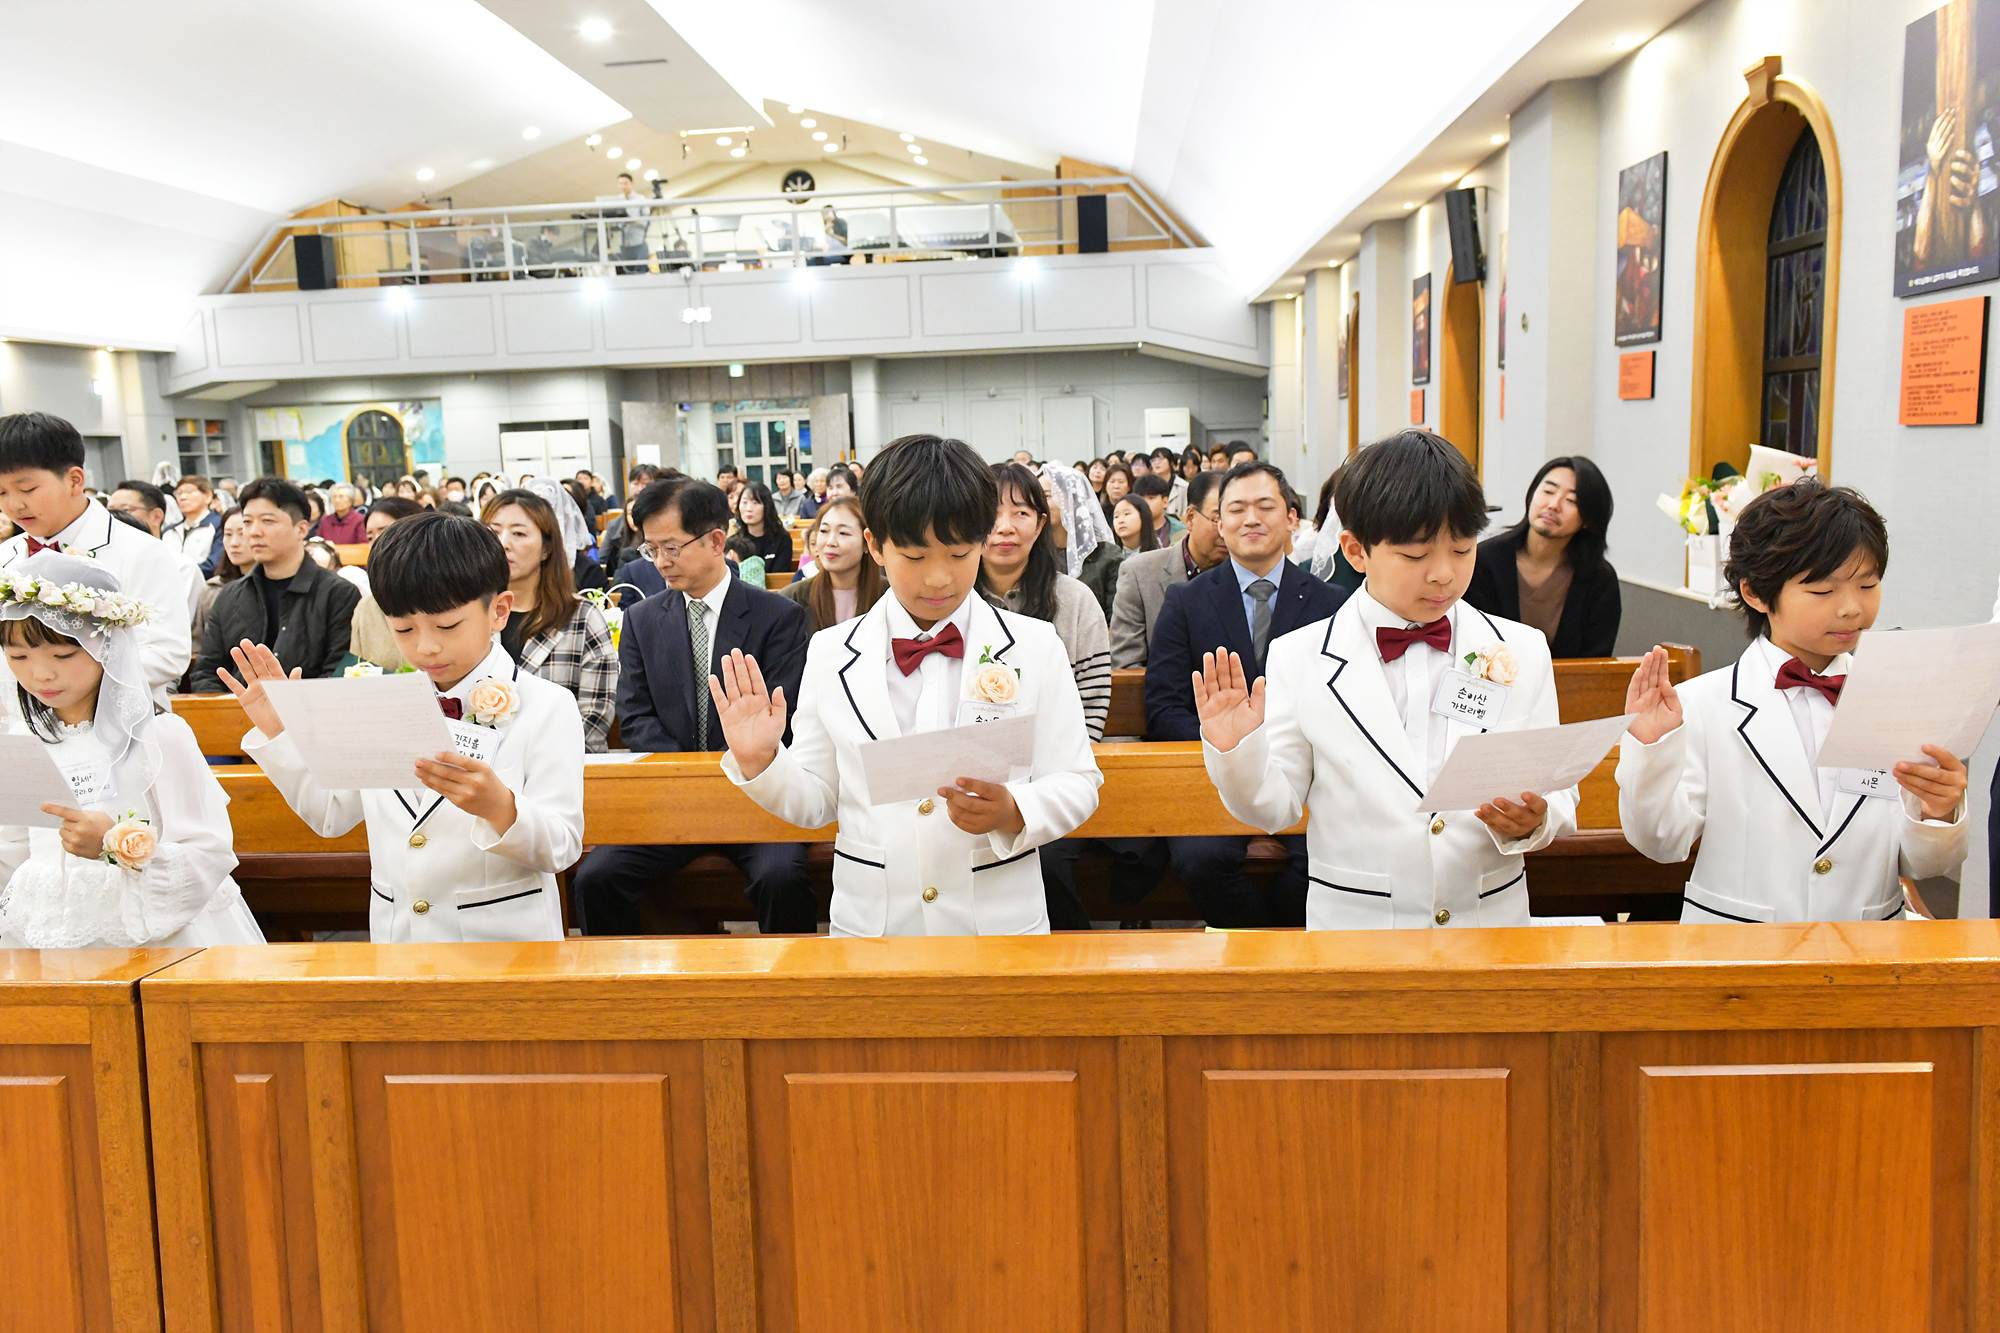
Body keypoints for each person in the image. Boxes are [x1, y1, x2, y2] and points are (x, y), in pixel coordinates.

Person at [711, 433, 1102, 937]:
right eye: (915, 557)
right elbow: (818, 800)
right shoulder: (831, 652)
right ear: (875, 545)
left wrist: (1015, 810)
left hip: (997, 923)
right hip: (874, 925)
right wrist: (762, 761)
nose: (939, 578)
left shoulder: (1034, 645)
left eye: (959, 554)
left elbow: (1078, 780)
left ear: (983, 540)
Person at [1197, 431, 1571, 930]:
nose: (1443, 574)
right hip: (1358, 927)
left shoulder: (1520, 649)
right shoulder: (1301, 657)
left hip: (1488, 924)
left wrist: (1536, 819)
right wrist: (1236, 751)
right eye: (1416, 556)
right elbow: (1274, 808)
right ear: (1356, 551)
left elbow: (1556, 787)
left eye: (1462, 550)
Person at [1619, 481, 1966, 923]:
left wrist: (1937, 813)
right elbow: (1660, 842)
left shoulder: (1897, 701)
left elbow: (1923, 865)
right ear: (1755, 593)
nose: (1851, 608)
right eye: (1823, 591)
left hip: (1869, 946)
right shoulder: (1702, 705)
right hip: (1738, 950)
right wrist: (1652, 750)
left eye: (1867, 585)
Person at [228, 514, 584, 941]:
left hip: (504, 945)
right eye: (403, 629)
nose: (426, 646)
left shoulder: (546, 706)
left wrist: (500, 808)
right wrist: (280, 733)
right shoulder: (378, 703)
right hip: (398, 941)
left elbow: (561, 846)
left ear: (499, 611)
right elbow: (331, 814)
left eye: (447, 626)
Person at [573, 479, 815, 935]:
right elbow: (635, 716)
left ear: (716, 541)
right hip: (674, 799)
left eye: (671, 548)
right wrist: (691, 779)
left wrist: (729, 772)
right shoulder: (642, 619)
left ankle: (793, 981)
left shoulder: (778, 617)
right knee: (596, 878)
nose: (660, 562)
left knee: (781, 877)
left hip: (758, 798)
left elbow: (785, 715)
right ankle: (623, 980)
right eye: (651, 549)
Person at [0, 554, 263, 948]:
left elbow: (209, 851)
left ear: (105, 646)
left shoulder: (159, 736)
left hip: (157, 936)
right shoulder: (24, 741)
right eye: (18, 656)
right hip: (47, 929)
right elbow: (13, 849)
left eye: (63, 655)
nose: (41, 674)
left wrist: (112, 845)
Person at [1146, 460, 1345, 926]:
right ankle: (1254, 948)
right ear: (1220, 524)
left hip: (1308, 781)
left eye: (1265, 506)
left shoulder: (1331, 602)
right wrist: (1230, 746)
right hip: (1213, 778)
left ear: (1292, 517)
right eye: (1236, 509)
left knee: (1320, 861)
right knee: (1201, 861)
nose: (1250, 519)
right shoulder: (1186, 601)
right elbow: (1162, 706)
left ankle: (1285, 953)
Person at [0, 413, 191, 704]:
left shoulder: (141, 551)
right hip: (19, 721)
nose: (14, 504)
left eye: (27, 489)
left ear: (75, 480)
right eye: (1, 492)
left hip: (116, 718)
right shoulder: (5, 555)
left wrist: (72, 683)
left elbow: (168, 653)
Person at [980, 463, 1112, 744]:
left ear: (1040, 524)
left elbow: (1091, 702)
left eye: (1021, 513)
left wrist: (1064, 763)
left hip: (1059, 758)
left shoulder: (1076, 600)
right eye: (991, 513)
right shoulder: (952, 600)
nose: (1005, 528)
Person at [191, 478, 361, 694]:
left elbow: (340, 674)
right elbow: (206, 673)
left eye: (268, 521)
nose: (254, 532)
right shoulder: (229, 595)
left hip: (309, 711)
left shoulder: (339, 594)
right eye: (247, 522)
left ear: (301, 529)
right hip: (238, 712)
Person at [483, 488, 619, 752]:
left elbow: (592, 720)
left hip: (561, 765)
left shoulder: (581, 617)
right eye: (493, 532)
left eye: (519, 533)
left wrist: (524, 763)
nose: (504, 543)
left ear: (546, 549)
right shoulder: (470, 615)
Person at [1466, 456, 1621, 658]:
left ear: (1588, 520)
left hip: (1568, 680)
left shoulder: (1600, 579)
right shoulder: (1484, 560)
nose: (1554, 505)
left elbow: (1597, 662)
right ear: (1532, 494)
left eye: (1571, 500)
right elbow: (1469, 642)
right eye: (1548, 491)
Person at [1110, 470, 1227, 669]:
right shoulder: (1139, 573)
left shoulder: (1248, 574)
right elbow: (1127, 664)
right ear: (1190, 517)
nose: (1226, 530)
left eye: (1234, 518)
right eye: (1217, 519)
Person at [778, 495, 882, 633]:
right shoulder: (791, 599)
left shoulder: (891, 596)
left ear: (866, 542)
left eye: (843, 533)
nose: (830, 542)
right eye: (824, 531)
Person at [192, 508, 251, 655]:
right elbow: (199, 645)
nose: (234, 543)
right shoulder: (213, 589)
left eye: (242, 534)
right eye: (228, 534)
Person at [731, 481, 795, 574]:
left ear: (767, 506)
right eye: (744, 502)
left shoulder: (782, 539)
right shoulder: (734, 542)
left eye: (755, 502)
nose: (749, 508)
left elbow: (780, 576)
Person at [167, 475, 225, 577]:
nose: (182, 497)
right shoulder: (169, 531)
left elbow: (215, 564)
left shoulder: (219, 525)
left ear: (208, 496)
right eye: (178, 493)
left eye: (189, 492)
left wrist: (181, 575)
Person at [1131, 473, 1184, 548]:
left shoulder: (1180, 531)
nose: (1145, 503)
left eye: (1151, 498)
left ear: (1165, 502)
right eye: (1141, 498)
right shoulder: (1129, 529)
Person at [1100, 462, 1133, 528]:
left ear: (1129, 486)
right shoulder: (1099, 512)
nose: (1116, 486)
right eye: (1112, 481)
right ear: (1105, 485)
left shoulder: (1135, 511)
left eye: (1121, 482)